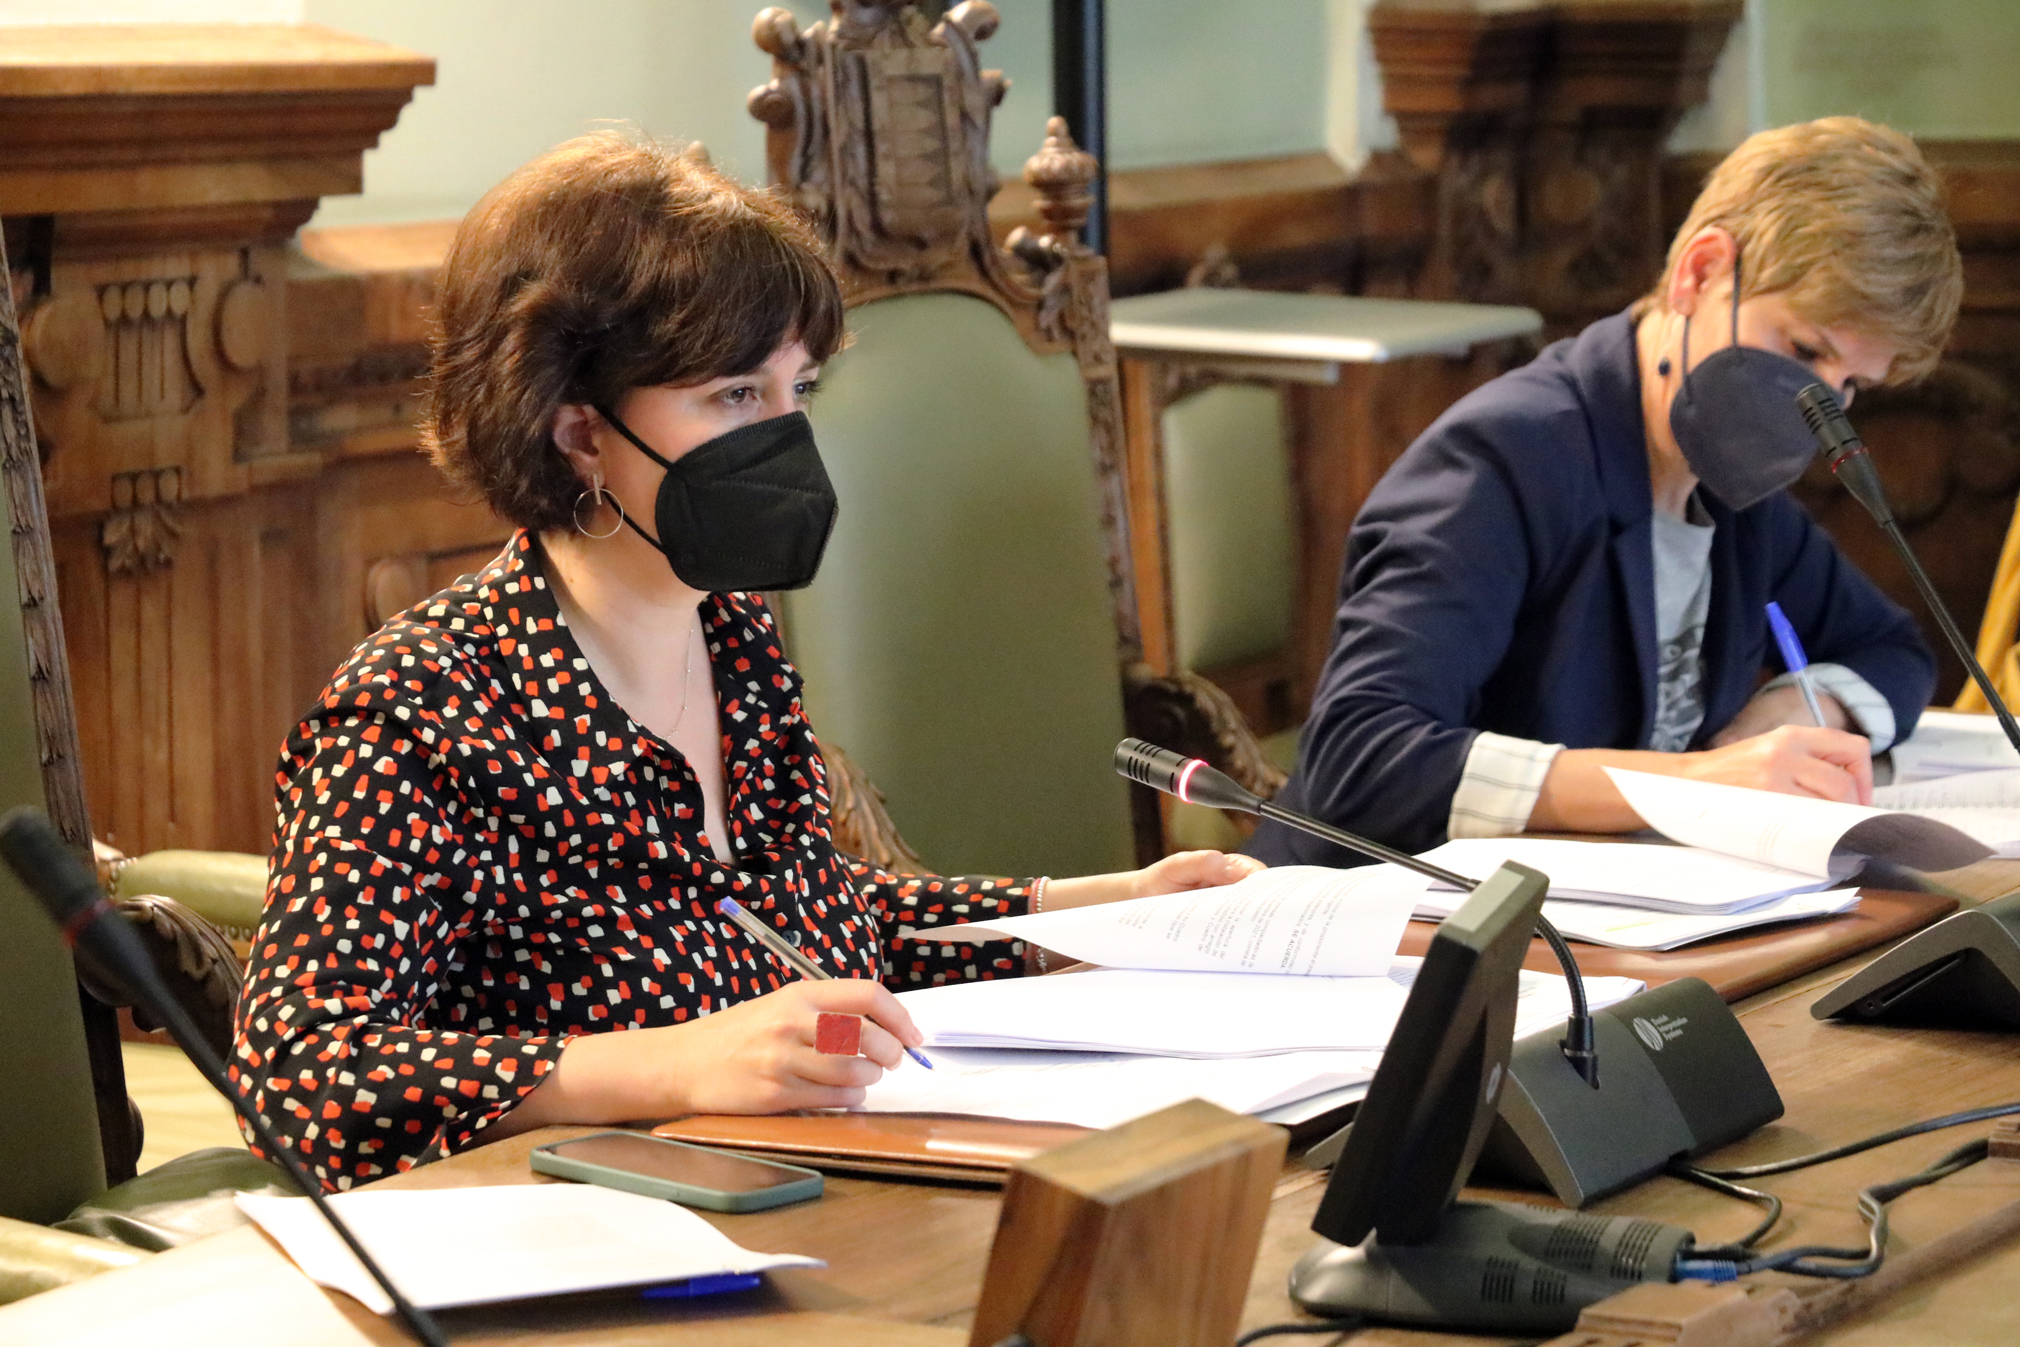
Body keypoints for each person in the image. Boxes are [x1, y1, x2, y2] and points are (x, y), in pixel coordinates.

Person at [229, 133, 1259, 1192]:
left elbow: (814, 927)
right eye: (735, 396)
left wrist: (1100, 910)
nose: (788, 437)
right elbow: (299, 1073)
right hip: (576, 1225)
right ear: (579, 432)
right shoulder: (416, 712)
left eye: (798, 388)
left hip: (804, 1190)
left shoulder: (732, 635)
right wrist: (672, 1064)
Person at [1250, 117, 1960, 868]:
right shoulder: (1504, 457)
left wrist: (1794, 710)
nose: (1815, 408)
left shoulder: (1737, 494)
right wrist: (1696, 782)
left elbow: (1892, 649)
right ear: (1699, 274)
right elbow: (1360, 757)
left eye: (1850, 384)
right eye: (1805, 350)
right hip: (1370, 911)